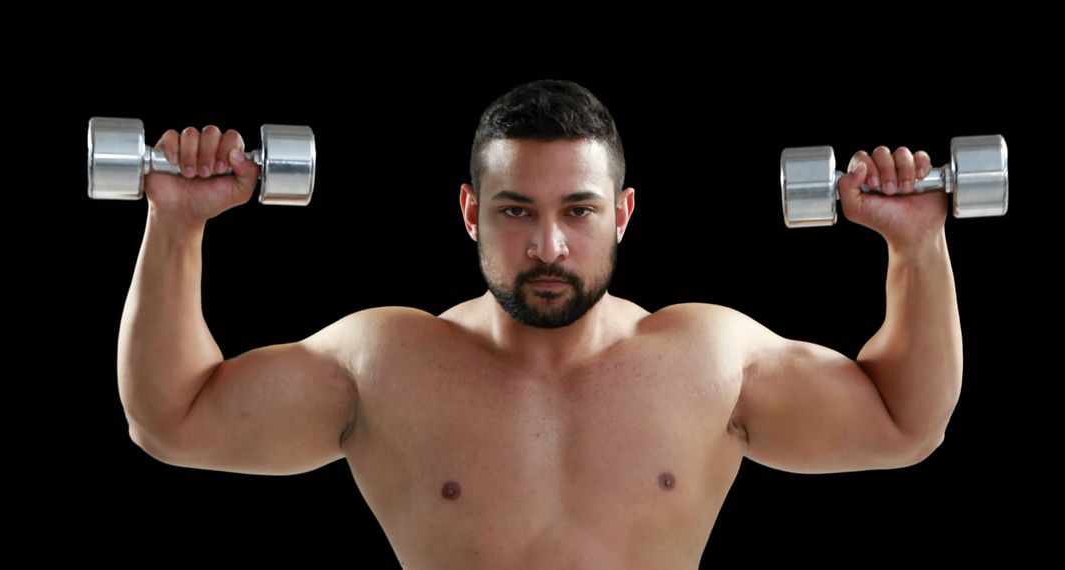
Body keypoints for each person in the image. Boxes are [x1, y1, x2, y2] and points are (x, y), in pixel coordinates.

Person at [118, 79, 961, 568]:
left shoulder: (709, 357)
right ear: (470, 212)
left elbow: (903, 422)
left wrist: (916, 247)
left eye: (580, 211)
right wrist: (178, 224)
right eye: (516, 210)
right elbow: (174, 419)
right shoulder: (385, 361)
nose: (549, 245)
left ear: (623, 215)